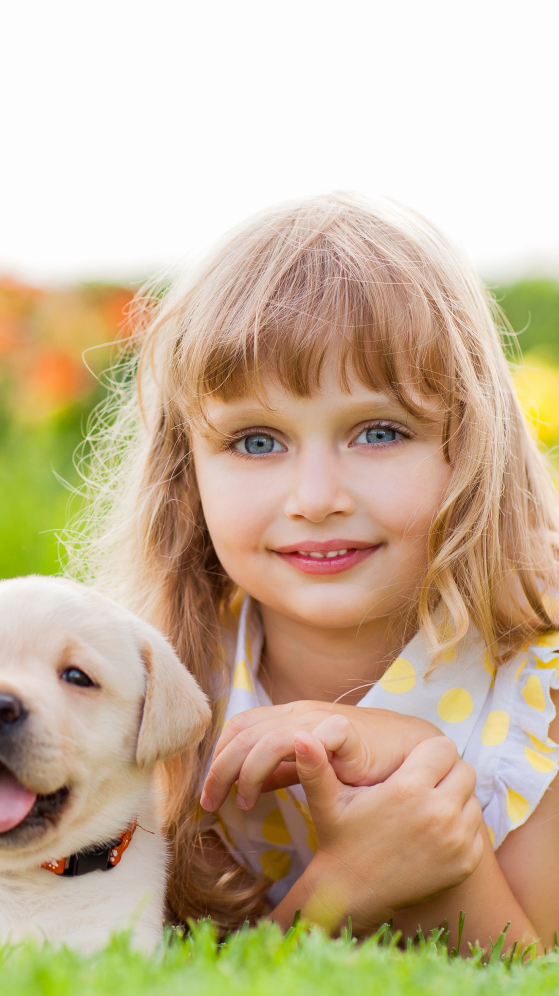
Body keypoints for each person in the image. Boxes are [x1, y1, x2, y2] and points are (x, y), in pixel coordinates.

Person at [68, 193, 559, 953]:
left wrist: (434, 847)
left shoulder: (536, 699)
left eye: (378, 431)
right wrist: (348, 884)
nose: (317, 498)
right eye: (257, 442)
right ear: (184, 474)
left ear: (467, 445)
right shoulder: (159, 692)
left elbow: (529, 971)